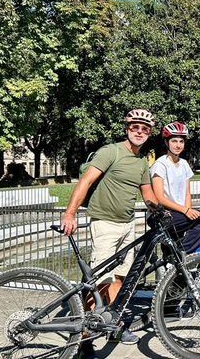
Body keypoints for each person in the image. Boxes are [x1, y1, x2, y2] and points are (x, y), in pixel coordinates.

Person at [60, 109, 158, 357]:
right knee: (100, 283)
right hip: (104, 223)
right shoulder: (110, 151)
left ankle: (113, 325)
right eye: (135, 127)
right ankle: (83, 340)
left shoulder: (141, 162)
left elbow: (147, 194)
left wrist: (159, 210)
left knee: (121, 280)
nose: (139, 132)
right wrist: (70, 214)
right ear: (127, 128)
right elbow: (86, 182)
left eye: (144, 129)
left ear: (149, 133)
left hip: (127, 225)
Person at [150, 121, 200, 253]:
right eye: (174, 141)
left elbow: (186, 193)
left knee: (170, 252)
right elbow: (159, 197)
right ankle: (182, 253)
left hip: (179, 213)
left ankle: (176, 260)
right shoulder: (160, 165)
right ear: (167, 142)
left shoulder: (184, 164)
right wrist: (186, 211)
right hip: (165, 215)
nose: (178, 145)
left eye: (181, 141)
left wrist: (189, 211)